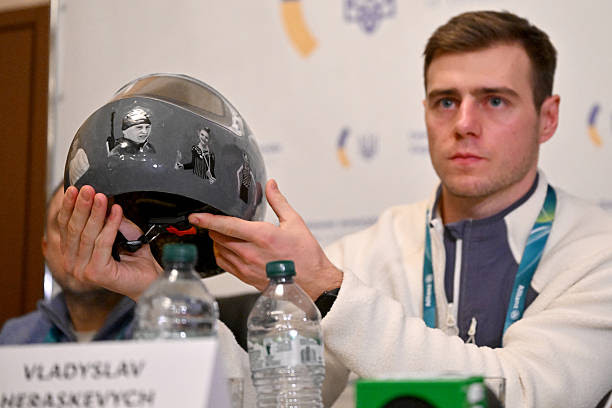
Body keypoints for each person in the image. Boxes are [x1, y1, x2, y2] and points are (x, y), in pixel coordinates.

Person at [57, 11, 612, 408]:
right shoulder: (370, 251)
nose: (465, 123)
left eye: (495, 100)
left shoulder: (598, 254)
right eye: (446, 101)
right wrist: (160, 293)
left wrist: (327, 289)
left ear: (548, 117)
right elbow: (266, 399)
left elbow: (522, 394)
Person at [0, 185, 134, 343]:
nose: (82, 237)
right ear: (45, 248)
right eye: (65, 223)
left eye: (96, 219)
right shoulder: (13, 339)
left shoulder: (158, 326)